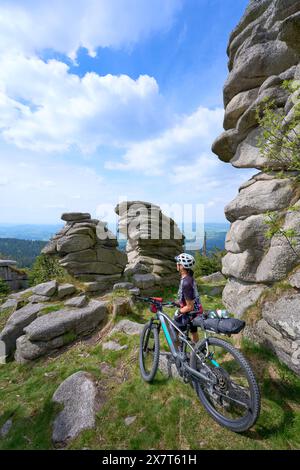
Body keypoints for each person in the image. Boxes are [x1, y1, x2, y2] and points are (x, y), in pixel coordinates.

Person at [173, 253, 203, 344]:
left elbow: (189, 306)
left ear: (181, 266)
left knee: (174, 328)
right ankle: (197, 351)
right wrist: (178, 302)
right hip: (196, 311)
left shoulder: (186, 282)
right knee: (193, 331)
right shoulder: (188, 278)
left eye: (178, 262)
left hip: (189, 312)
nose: (176, 264)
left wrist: (179, 311)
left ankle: (177, 353)